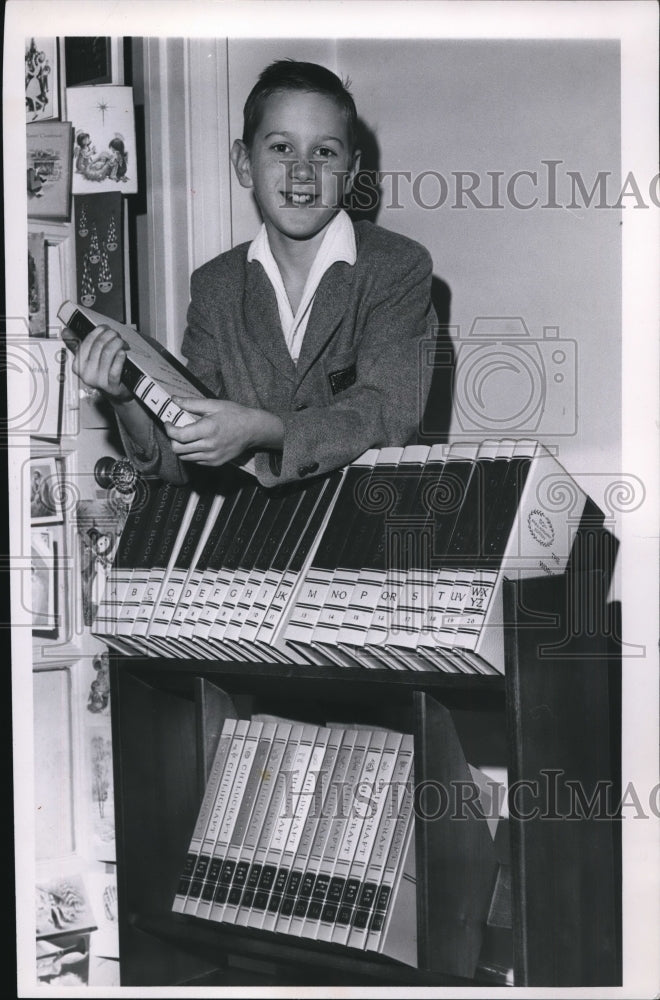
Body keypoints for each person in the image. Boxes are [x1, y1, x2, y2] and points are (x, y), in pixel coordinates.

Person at [71, 60, 436, 487]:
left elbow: (386, 416)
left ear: (351, 172)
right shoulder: (215, 285)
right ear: (244, 162)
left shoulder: (397, 267)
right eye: (281, 148)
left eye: (324, 152)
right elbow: (181, 455)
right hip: (258, 546)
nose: (302, 170)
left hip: (360, 531)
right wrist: (124, 396)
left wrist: (265, 429)